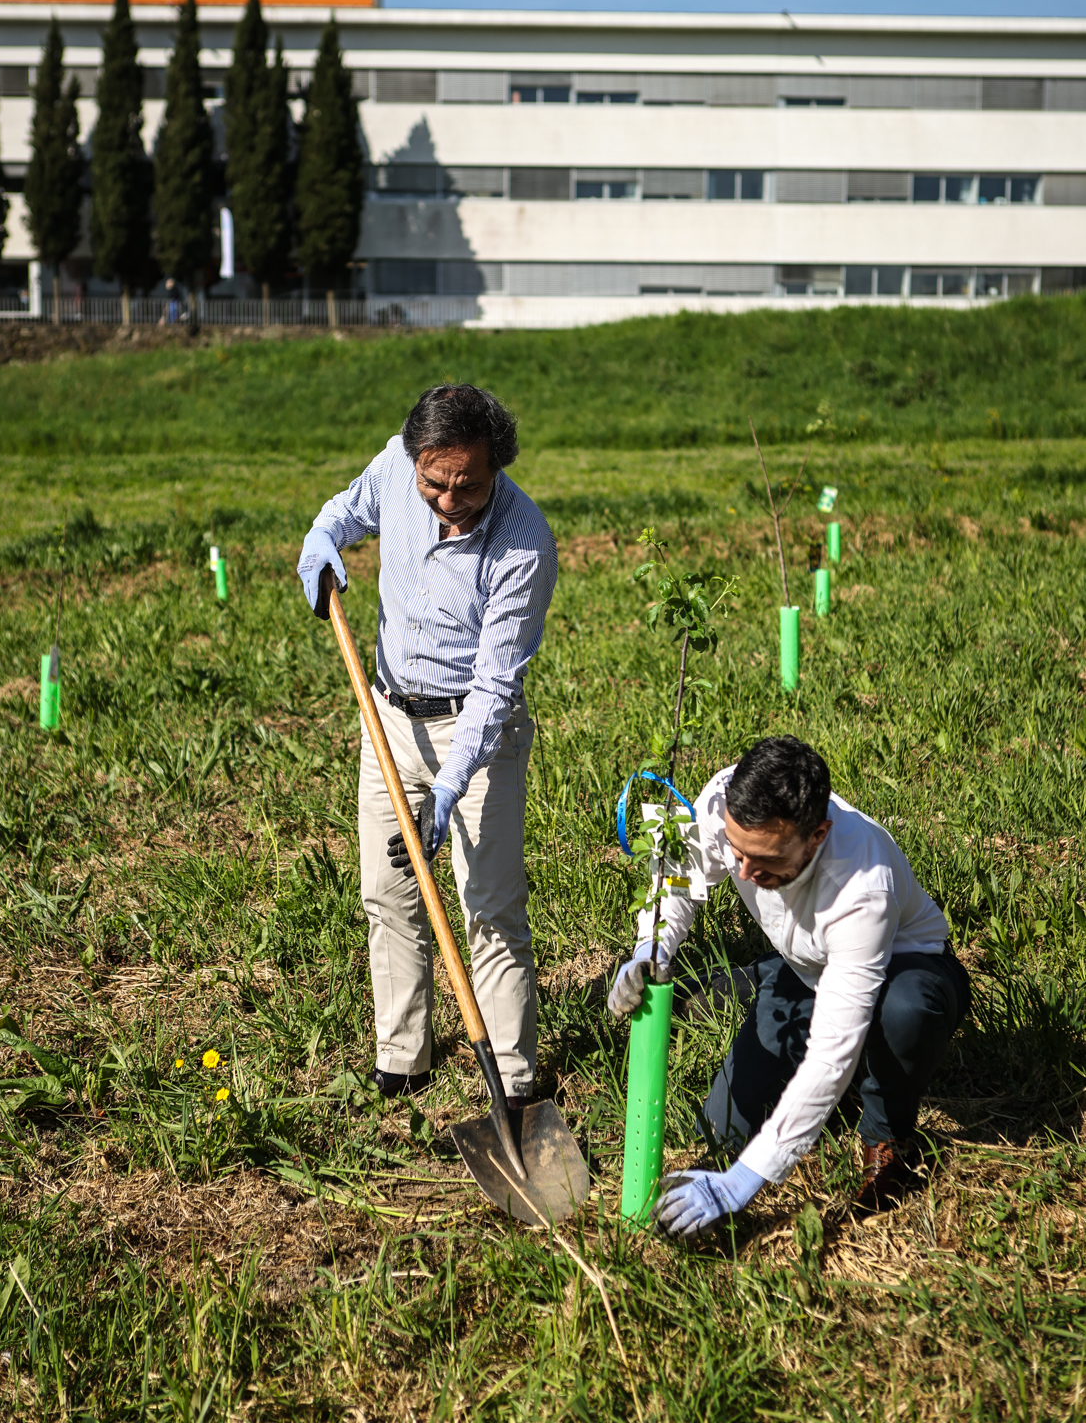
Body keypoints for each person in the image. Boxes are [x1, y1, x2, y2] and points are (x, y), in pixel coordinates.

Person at [297, 385, 557, 1105]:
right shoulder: (396, 464)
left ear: (495, 467)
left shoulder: (523, 543)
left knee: (490, 904)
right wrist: (322, 539)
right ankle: (401, 1057)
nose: (447, 498)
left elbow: (495, 685)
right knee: (388, 895)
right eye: (433, 482)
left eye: (465, 485)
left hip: (473, 731)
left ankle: (512, 1079)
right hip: (386, 717)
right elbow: (346, 510)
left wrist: (449, 785)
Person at [608, 735, 971, 1237]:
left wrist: (742, 1184)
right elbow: (678, 879)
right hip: (805, 968)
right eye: (737, 853)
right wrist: (652, 949)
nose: (744, 873)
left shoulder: (863, 886)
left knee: (905, 1012)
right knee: (721, 1132)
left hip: (906, 970)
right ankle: (757, 978)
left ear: (817, 834)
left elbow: (831, 1055)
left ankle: (889, 1137)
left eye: (767, 863)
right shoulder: (723, 803)